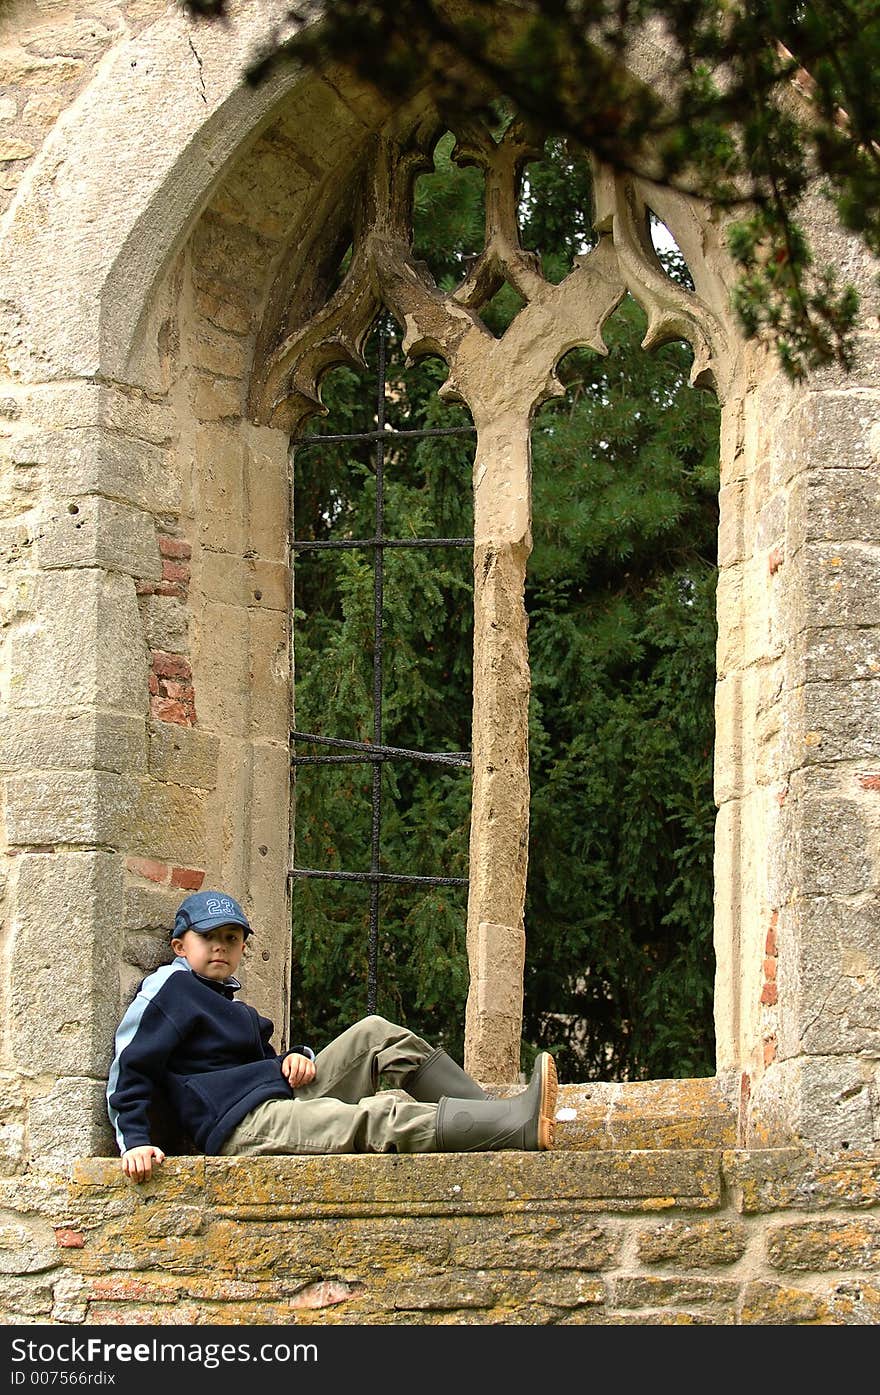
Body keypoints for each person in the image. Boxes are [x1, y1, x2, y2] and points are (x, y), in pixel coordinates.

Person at [107, 889, 559, 1182]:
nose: (221, 946)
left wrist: (294, 1056)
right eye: (208, 938)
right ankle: (512, 1129)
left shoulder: (232, 1006)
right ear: (180, 946)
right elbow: (132, 1066)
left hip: (279, 1096)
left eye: (232, 937)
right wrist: (135, 1140)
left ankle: (495, 1114)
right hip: (241, 1125)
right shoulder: (171, 989)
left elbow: (257, 1064)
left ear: (244, 945)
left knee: (376, 1033)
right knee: (379, 1113)